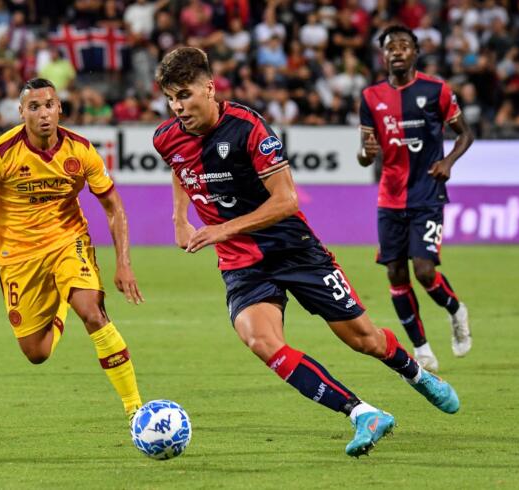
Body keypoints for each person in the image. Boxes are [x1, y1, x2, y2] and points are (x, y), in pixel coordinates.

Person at [153, 47, 460, 458]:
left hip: (293, 250)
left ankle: (417, 374)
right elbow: (179, 166)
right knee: (261, 342)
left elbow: (287, 200)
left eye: (186, 95)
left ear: (209, 88)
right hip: (241, 264)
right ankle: (362, 413)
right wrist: (179, 218)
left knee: (364, 339)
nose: (179, 106)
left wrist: (221, 228)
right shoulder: (166, 137)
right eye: (172, 98)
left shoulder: (249, 129)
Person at [0, 78, 144, 422]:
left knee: (92, 311)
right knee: (36, 352)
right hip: (19, 254)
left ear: (60, 109)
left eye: (49, 105)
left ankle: (135, 409)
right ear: (21, 112)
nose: (43, 114)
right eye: (34, 107)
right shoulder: (1, 154)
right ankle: (60, 302)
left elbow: (114, 206)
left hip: (67, 240)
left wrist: (124, 264)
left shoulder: (81, 150)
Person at [358, 25, 474, 373]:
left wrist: (448, 162)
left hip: (427, 194)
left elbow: (465, 133)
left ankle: (455, 310)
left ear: (415, 53)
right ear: (383, 56)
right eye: (390, 47)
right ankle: (422, 349)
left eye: (403, 45)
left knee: (424, 270)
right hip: (389, 198)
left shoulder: (436, 90)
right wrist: (366, 153)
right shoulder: (370, 97)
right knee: (395, 272)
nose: (396, 51)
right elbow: (365, 155)